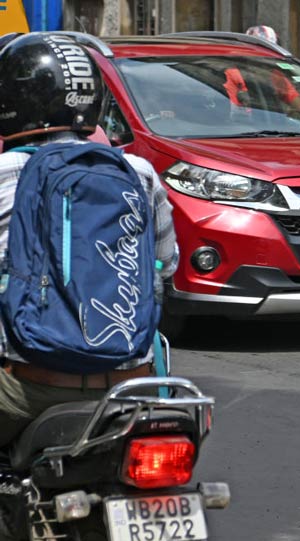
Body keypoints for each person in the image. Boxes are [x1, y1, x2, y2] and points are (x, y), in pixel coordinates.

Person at [0, 33, 178, 447]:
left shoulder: (6, 172)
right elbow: (167, 266)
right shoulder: (138, 172)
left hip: (30, 389)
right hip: (133, 387)